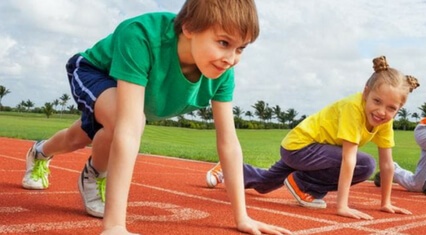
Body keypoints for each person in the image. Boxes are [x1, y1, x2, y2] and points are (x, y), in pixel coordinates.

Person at [21, 0, 291, 234]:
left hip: (128, 102)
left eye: (241, 48)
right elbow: (127, 128)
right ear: (189, 27)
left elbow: (228, 143)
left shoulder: (222, 73)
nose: (231, 59)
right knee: (127, 123)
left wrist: (241, 217)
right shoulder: (140, 36)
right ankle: (94, 175)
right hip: (96, 71)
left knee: (77, 137)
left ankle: (40, 152)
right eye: (223, 42)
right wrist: (115, 226)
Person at [207, 56, 418, 219]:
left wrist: (386, 202)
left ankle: (228, 169)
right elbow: (349, 159)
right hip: (301, 147)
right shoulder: (354, 108)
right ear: (366, 93)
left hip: (313, 152)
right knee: (365, 165)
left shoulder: (384, 121)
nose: (382, 111)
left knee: (264, 185)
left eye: (392, 108)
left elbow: (388, 164)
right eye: (377, 101)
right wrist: (342, 206)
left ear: (399, 108)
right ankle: (304, 186)